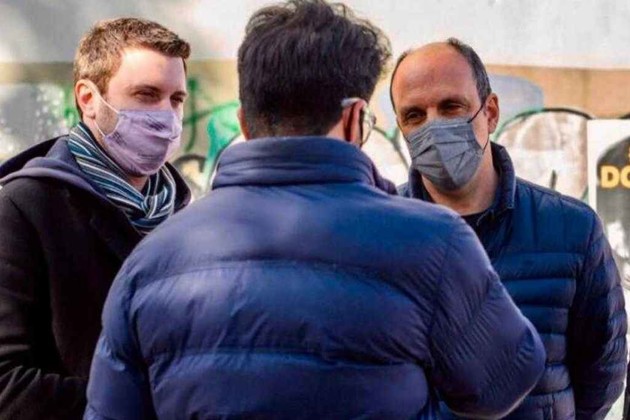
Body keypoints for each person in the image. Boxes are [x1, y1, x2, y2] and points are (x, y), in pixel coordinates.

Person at [85, 2, 545, 418]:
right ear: (356, 119)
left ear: (244, 121)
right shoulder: (434, 243)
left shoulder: (151, 261)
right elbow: (501, 386)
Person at [390, 38, 627, 419]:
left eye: (451, 107)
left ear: (490, 112)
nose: (433, 127)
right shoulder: (382, 235)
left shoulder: (571, 229)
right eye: (414, 115)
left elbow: (603, 368)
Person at [0, 18, 191, 419]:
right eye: (146, 95)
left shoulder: (183, 213)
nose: (166, 116)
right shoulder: (23, 208)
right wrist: (137, 404)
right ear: (88, 98)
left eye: (176, 99)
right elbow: (6, 384)